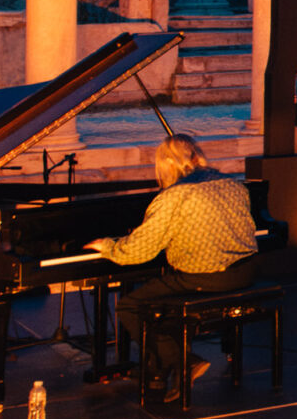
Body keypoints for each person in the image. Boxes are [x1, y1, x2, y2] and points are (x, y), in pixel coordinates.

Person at [89, 136, 260, 402]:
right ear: (196, 156)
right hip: (245, 271)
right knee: (164, 299)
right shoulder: (232, 184)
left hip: (207, 278)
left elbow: (139, 251)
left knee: (130, 306)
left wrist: (108, 246)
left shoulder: (174, 196)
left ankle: (184, 362)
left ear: (167, 164)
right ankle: (159, 372)